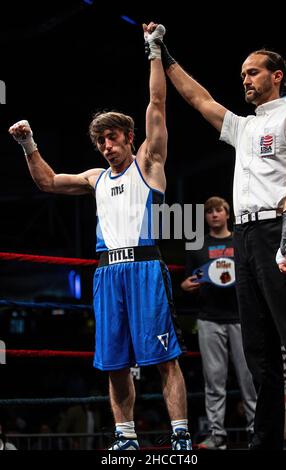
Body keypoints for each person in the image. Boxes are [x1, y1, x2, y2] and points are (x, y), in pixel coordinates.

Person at [8, 23, 192, 451]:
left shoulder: (148, 163)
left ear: (128, 138)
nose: (106, 146)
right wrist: (28, 143)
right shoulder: (94, 178)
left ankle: (180, 433)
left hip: (146, 267)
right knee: (114, 362)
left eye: (112, 138)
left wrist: (153, 48)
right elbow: (49, 183)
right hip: (108, 274)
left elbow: (158, 103)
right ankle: (125, 437)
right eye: (100, 141)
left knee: (165, 358)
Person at [153, 30, 286, 449]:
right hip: (246, 236)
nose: (245, 80)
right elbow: (200, 100)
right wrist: (165, 56)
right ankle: (265, 441)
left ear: (277, 75)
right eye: (242, 75)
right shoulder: (243, 127)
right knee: (258, 348)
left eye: (253, 72)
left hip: (280, 227)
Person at [181, 196, 256, 449]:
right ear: (205, 217)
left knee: (249, 378)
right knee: (214, 380)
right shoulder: (197, 244)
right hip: (208, 318)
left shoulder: (240, 239)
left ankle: (256, 431)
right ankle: (217, 435)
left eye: (218, 210)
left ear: (227, 213)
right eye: (209, 211)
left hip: (240, 317)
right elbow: (187, 280)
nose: (214, 215)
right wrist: (187, 285)